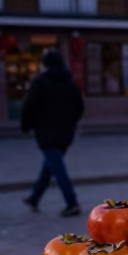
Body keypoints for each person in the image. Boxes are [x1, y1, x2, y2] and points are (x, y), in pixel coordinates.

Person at [21, 50, 84, 217]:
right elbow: (79, 107)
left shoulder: (40, 82)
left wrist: (26, 126)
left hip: (46, 131)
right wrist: (71, 122)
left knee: (57, 167)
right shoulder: (71, 83)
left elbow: (30, 106)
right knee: (51, 165)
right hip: (66, 132)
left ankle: (72, 202)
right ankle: (35, 197)